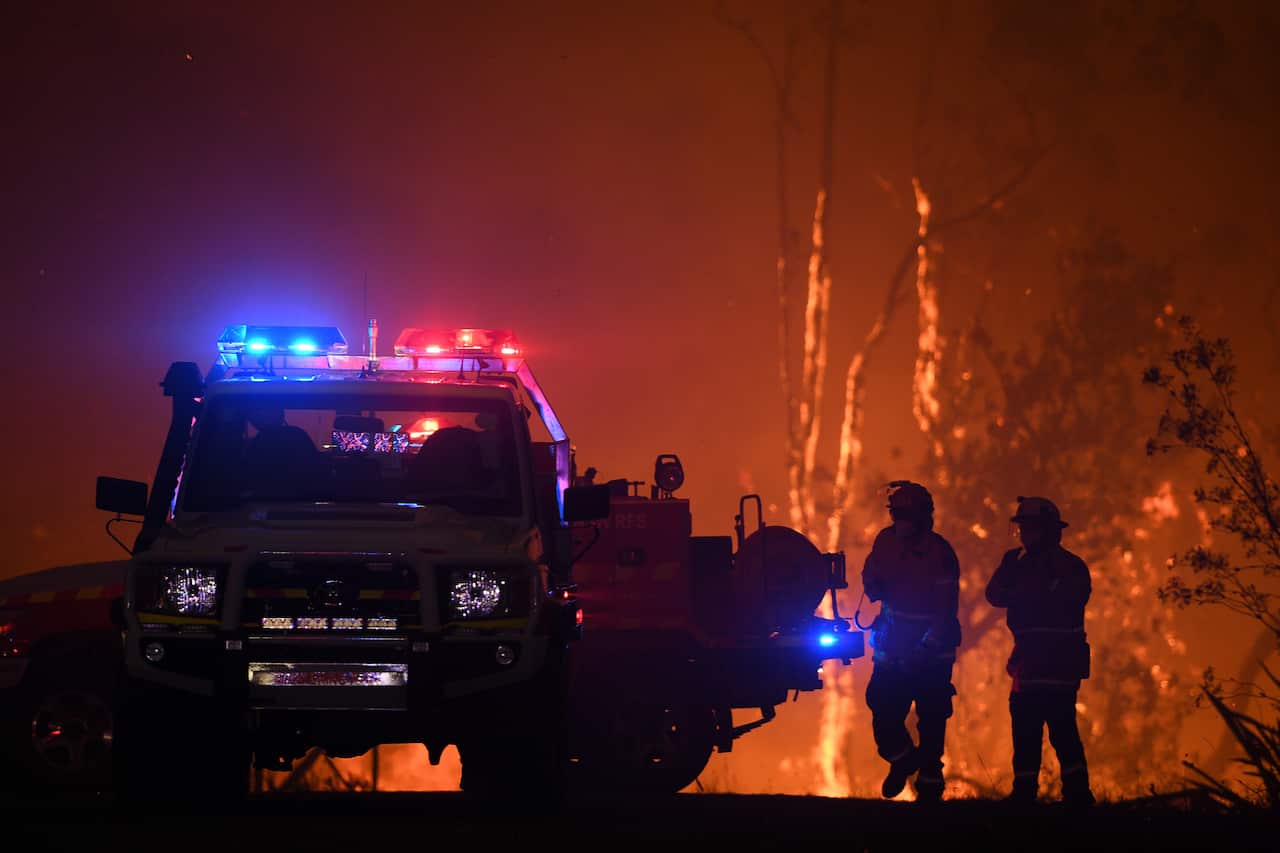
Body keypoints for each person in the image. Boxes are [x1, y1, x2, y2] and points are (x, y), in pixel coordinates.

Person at [985, 496, 1094, 807]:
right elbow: (994, 595)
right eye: (1023, 529)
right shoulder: (1017, 563)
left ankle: (1076, 795)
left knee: (1061, 731)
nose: (1025, 535)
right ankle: (1026, 794)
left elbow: (1062, 599)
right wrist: (1016, 578)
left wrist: (1024, 586)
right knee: (1027, 733)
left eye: (1031, 529)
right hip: (1029, 663)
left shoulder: (1069, 567)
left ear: (1048, 531)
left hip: (1057, 662)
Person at [861, 481, 961, 802]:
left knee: (931, 720)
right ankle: (903, 760)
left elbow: (945, 611)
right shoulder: (885, 542)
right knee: (881, 708)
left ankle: (930, 791)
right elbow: (871, 575)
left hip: (932, 656)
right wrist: (873, 583)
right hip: (892, 649)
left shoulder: (940, 553)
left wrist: (925, 650)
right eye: (895, 513)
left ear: (922, 517)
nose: (899, 520)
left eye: (905, 514)